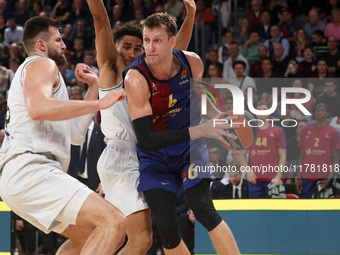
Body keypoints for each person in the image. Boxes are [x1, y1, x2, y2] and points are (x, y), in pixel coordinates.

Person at [0, 16, 127, 254]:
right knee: (114, 222)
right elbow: (39, 108)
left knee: (88, 237)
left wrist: (94, 89)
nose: (64, 45)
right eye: (58, 39)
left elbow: (76, 135)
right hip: (31, 168)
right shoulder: (42, 64)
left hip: (24, 174)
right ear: (41, 45)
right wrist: (100, 105)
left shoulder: (43, 75)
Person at [87, 0, 198, 254]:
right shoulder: (112, 71)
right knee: (142, 239)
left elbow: (175, 49)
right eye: (126, 46)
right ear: (114, 49)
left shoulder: (147, 76)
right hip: (120, 155)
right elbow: (101, 20)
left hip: (145, 157)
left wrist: (190, 14)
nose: (132, 52)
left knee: (128, 237)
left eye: (139, 48)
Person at [124, 12, 240, 254]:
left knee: (203, 210)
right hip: (155, 155)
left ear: (172, 42)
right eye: (146, 40)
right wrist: (201, 129)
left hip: (190, 150)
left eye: (157, 40)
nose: (149, 47)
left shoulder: (192, 62)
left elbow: (201, 100)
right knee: (166, 225)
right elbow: (146, 139)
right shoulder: (136, 78)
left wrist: (218, 119)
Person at [240, 101, 287, 198]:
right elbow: (241, 154)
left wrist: (278, 176)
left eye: (264, 110)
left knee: (273, 210)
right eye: (259, 110)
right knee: (255, 211)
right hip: (254, 178)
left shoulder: (278, 130)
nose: (262, 112)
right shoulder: (250, 130)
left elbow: (283, 156)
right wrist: (248, 171)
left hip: (272, 177)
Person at [296, 103, 340, 198]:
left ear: (327, 113)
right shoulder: (306, 130)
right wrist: (299, 174)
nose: (320, 112)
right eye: (318, 110)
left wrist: (330, 177)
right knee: (305, 205)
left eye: (322, 110)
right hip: (307, 175)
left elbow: (336, 159)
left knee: (323, 207)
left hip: (324, 175)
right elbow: (302, 155)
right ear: (314, 113)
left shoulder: (333, 132)